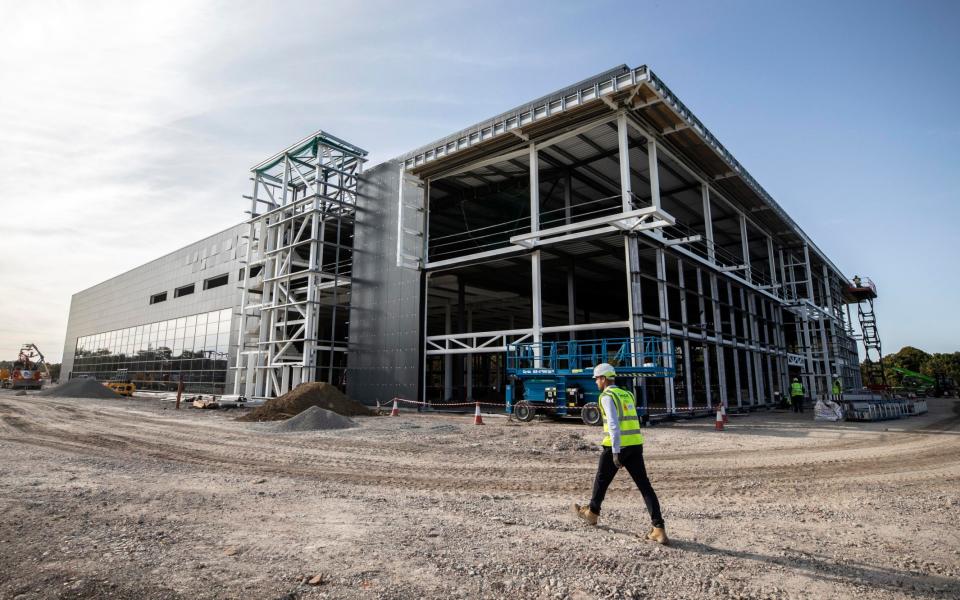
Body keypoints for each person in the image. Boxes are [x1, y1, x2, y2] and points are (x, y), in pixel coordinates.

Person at [573, 363, 667, 544]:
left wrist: (616, 452)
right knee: (645, 486)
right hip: (635, 444)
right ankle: (659, 528)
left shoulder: (606, 396)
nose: (596, 383)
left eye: (597, 379)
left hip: (617, 446)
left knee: (601, 479)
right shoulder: (627, 394)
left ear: (603, 379)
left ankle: (592, 514)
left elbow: (614, 424)